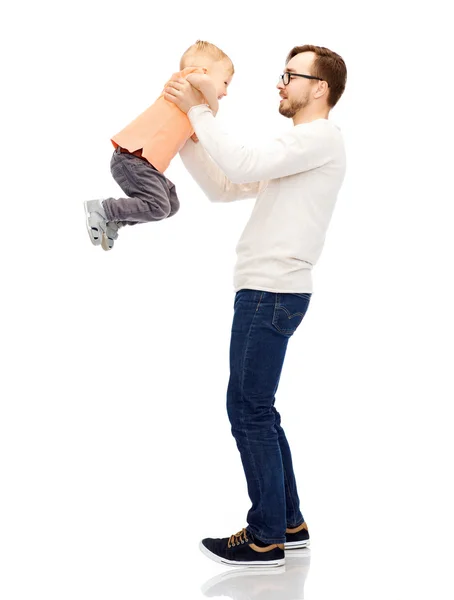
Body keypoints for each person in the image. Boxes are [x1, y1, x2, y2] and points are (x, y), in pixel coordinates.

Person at [164, 44, 347, 568]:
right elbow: (227, 185)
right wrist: (190, 136)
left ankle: (267, 536)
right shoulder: (300, 147)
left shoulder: (320, 138)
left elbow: (242, 160)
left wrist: (200, 107)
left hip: (271, 291)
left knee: (248, 410)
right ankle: (288, 520)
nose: (280, 83)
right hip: (270, 290)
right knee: (257, 409)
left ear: (320, 88)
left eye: (292, 75)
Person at [83, 40, 233, 251]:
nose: (226, 92)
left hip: (146, 166)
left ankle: (115, 220)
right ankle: (104, 209)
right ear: (205, 71)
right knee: (159, 206)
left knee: (171, 205)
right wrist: (213, 109)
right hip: (132, 158)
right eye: (226, 83)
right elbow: (205, 82)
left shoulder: (192, 109)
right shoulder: (185, 82)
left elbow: (200, 137)